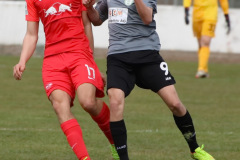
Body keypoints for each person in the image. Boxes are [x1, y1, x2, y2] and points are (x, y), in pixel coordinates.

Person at [83, 0, 216, 159]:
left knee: (175, 104)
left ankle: (194, 149)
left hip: (147, 55)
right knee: (115, 100)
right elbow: (97, 20)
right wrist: (90, 7)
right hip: (118, 58)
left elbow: (147, 17)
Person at [13, 0, 119, 160]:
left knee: (88, 102)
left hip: (79, 53)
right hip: (52, 59)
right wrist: (22, 60)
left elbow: (86, 24)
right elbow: (31, 34)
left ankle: (116, 143)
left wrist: (91, 60)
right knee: (59, 106)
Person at [184, 0, 231, 78]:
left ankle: (201, 69)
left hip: (210, 16)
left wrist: (226, 15)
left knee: (205, 42)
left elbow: (223, 1)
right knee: (200, 44)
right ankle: (204, 70)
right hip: (197, 16)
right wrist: (186, 9)